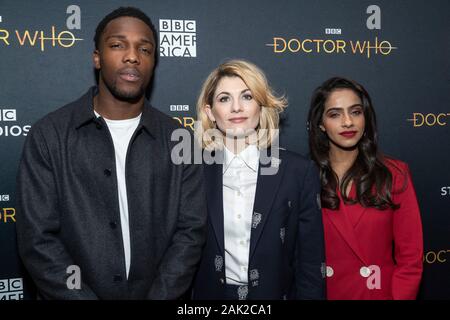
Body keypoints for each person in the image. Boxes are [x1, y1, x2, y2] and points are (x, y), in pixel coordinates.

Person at [15, 7, 207, 299]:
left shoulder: (180, 139)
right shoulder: (49, 135)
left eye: (145, 49)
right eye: (118, 45)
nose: (132, 56)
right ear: (97, 57)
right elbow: (38, 240)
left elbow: (190, 232)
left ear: (153, 61)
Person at [191, 59, 326, 300]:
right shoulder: (193, 172)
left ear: (261, 106)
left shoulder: (298, 172)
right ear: (210, 112)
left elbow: (310, 262)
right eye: (224, 99)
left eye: (247, 96)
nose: (236, 108)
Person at [307, 77, 423, 300]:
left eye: (356, 112)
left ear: (365, 118)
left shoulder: (394, 174)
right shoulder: (304, 177)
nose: (348, 122)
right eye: (335, 114)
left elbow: (410, 259)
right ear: (321, 123)